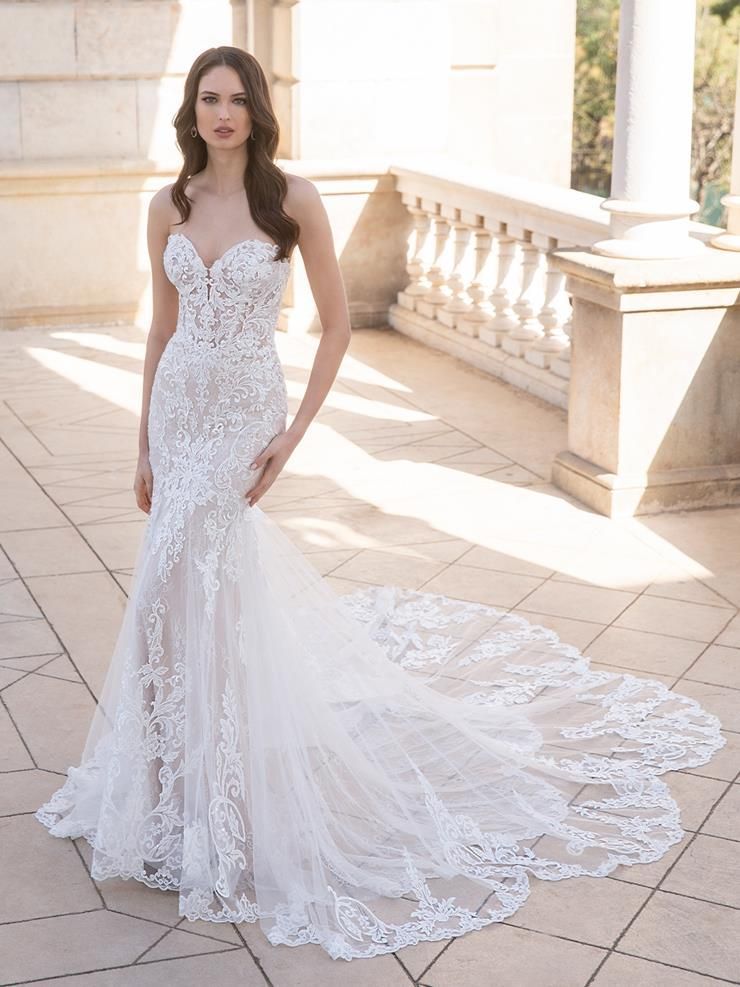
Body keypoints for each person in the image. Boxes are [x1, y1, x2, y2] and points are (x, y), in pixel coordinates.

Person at [35, 45, 726, 962]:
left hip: (243, 412)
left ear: (259, 109)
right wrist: (141, 442)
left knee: (211, 596)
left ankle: (224, 811)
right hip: (178, 416)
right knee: (167, 608)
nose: (223, 113)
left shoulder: (295, 203)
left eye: (238, 99)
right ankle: (168, 798)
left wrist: (293, 434)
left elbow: (337, 324)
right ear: (191, 111)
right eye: (209, 98)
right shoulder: (166, 204)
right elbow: (161, 329)